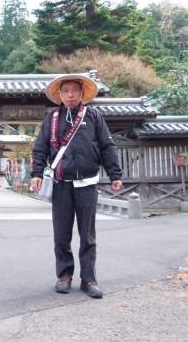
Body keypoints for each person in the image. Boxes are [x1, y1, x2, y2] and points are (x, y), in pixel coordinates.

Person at [31, 74, 123, 299]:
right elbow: (40, 147)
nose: (70, 94)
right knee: (61, 234)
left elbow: (106, 146)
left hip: (87, 183)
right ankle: (64, 275)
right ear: (59, 95)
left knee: (87, 234)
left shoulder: (93, 116)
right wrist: (36, 174)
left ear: (82, 93)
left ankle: (89, 278)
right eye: (66, 91)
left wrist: (114, 174)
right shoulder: (52, 118)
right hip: (61, 183)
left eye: (74, 90)